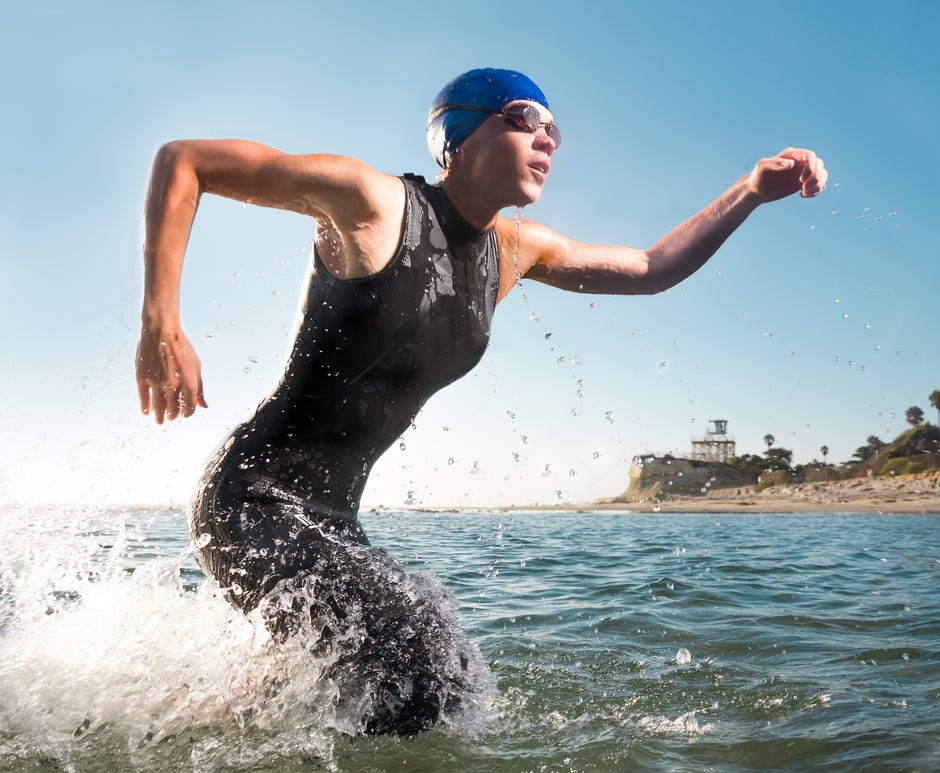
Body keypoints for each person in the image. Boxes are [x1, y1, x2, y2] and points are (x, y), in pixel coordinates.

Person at [136, 68, 827, 734]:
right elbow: (186, 160)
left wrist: (751, 190)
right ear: (458, 136)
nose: (550, 138)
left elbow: (651, 270)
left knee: (434, 670)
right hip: (250, 502)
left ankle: (172, 725)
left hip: (336, 526)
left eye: (556, 128)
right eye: (527, 119)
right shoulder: (372, 203)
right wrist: (161, 323)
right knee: (420, 659)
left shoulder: (515, 250)